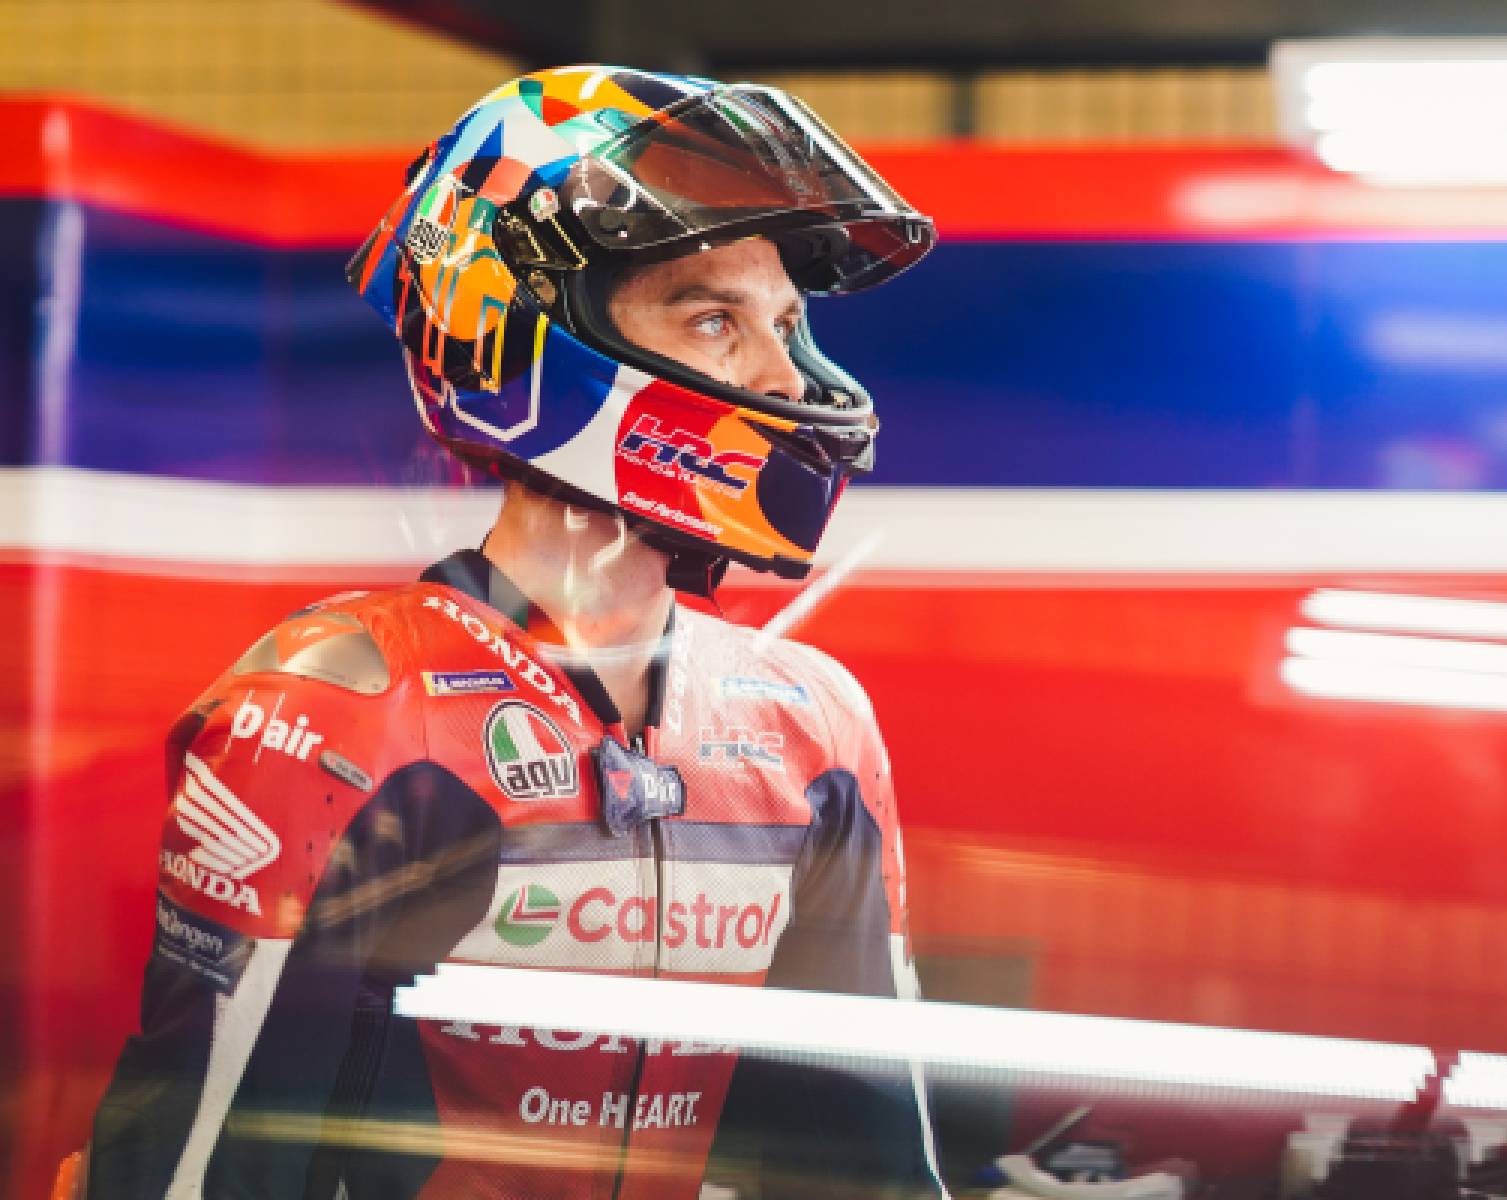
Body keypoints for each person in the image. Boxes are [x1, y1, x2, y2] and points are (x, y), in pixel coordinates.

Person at [72, 66, 944, 1199]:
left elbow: (872, 1168)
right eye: (714, 319)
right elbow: (193, 1171)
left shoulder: (813, 725)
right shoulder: (339, 712)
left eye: (785, 323)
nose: (783, 374)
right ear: (521, 335)